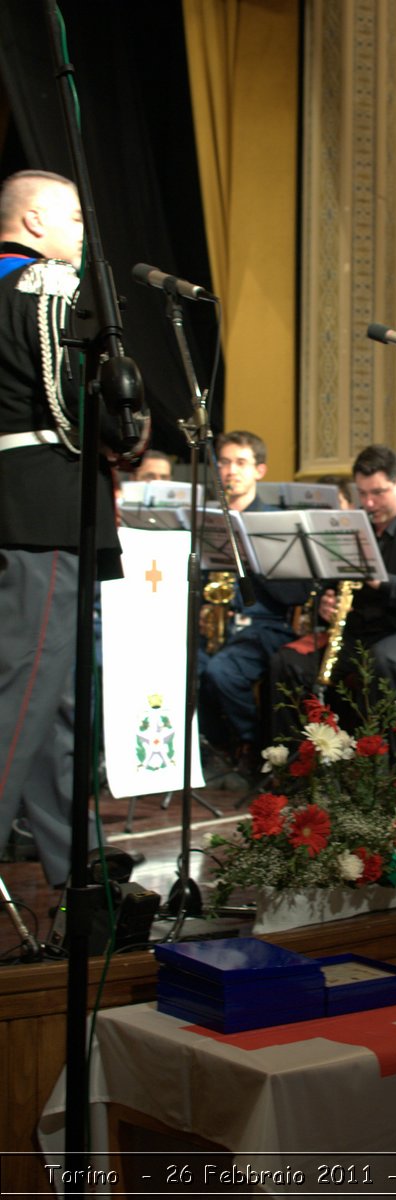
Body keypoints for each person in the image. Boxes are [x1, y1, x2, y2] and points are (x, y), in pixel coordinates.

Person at [0, 169, 125, 887]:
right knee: (24, 700)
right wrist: (117, 428)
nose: (83, 231)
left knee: (53, 704)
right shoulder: (44, 286)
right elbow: (65, 396)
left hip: (18, 506)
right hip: (43, 505)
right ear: (38, 220)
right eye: (75, 217)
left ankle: (72, 865)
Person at [268, 444, 396, 735]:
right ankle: (300, 765)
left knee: (382, 660)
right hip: (361, 631)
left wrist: (383, 582)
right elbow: (332, 584)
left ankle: (384, 768)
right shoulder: (352, 528)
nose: (369, 503)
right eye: (362, 494)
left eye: (378, 493)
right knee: (288, 663)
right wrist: (327, 604)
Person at [197, 430, 304, 772]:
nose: (231, 471)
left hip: (266, 626)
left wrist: (255, 557)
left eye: (241, 463)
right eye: (225, 462)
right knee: (186, 666)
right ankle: (212, 746)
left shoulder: (276, 523)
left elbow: (297, 594)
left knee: (222, 671)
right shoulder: (207, 521)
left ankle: (250, 745)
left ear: (260, 470)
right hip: (218, 623)